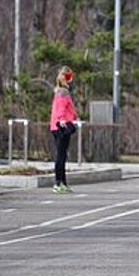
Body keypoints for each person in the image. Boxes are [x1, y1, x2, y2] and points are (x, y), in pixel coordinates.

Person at [49, 66, 79, 194]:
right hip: (61, 126)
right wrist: (62, 119)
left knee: (63, 155)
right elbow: (61, 108)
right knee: (61, 155)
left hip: (61, 124)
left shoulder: (61, 91)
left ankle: (63, 182)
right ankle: (58, 182)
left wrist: (75, 117)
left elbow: (68, 109)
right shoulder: (62, 92)